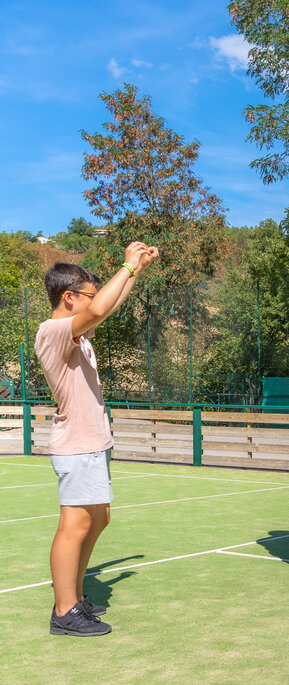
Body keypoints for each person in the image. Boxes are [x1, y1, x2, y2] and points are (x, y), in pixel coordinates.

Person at [34, 244, 160, 636]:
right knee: (74, 525)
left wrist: (136, 271)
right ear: (68, 298)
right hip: (76, 443)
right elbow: (101, 308)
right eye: (88, 293)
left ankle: (75, 593)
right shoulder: (53, 331)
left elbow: (107, 304)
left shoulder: (77, 330)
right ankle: (64, 610)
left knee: (99, 518)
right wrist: (126, 264)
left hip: (93, 442)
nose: (94, 299)